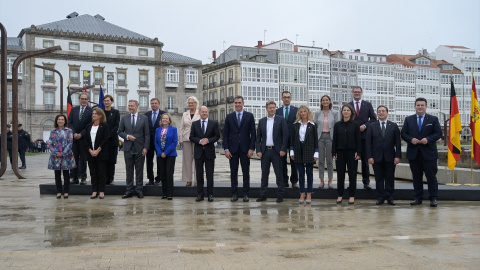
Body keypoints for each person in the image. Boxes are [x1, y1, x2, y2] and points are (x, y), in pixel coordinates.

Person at [401, 98, 442, 207]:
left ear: (426, 106)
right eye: (418, 105)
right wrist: (411, 140)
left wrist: (428, 139)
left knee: (431, 177)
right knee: (416, 177)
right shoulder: (408, 119)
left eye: (422, 105)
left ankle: (433, 198)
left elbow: (438, 133)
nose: (420, 107)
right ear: (415, 106)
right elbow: (403, 133)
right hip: (414, 154)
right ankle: (418, 198)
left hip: (429, 154)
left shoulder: (433, 119)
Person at [366, 106, 402, 206]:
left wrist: (397, 156)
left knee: (390, 178)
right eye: (379, 111)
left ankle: (390, 197)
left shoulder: (394, 126)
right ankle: (380, 197)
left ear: (387, 113)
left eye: (383, 111)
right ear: (377, 113)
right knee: (379, 178)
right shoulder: (372, 126)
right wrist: (369, 156)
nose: (381, 113)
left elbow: (398, 143)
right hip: (376, 158)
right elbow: (368, 143)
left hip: (390, 157)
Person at [223, 96, 256, 202]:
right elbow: (225, 134)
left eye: (239, 102)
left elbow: (253, 134)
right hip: (232, 150)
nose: (237, 104)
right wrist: (226, 149)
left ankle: (246, 194)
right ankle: (234, 194)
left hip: (245, 149)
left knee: (246, 172)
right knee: (233, 172)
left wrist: (251, 148)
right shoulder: (229, 117)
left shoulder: (249, 116)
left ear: (243, 103)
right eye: (236, 103)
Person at [256, 101, 288, 203]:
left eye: (273, 107)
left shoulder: (280, 119)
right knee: (264, 174)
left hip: (277, 151)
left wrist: (283, 149)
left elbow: (285, 136)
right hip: (265, 151)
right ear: (267, 109)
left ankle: (280, 195)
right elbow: (258, 138)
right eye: (270, 108)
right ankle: (263, 194)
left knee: (279, 174)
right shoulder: (261, 121)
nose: (272, 109)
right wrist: (258, 150)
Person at [118, 100, 150, 199]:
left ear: (137, 106)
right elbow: (120, 132)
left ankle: (139, 190)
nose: (130, 107)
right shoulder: (124, 118)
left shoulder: (144, 118)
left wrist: (145, 147)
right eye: (129, 106)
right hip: (128, 148)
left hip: (140, 148)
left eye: (132, 106)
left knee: (139, 170)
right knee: (129, 170)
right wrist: (127, 136)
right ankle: (129, 190)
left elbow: (147, 135)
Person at [189, 106, 220, 202]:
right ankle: (200, 194)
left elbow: (217, 136)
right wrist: (199, 141)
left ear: (208, 113)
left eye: (206, 112)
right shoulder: (195, 124)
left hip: (209, 152)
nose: (204, 113)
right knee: (199, 174)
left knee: (210, 175)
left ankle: (210, 194)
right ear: (199, 113)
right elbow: (191, 137)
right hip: (198, 152)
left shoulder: (213, 123)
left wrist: (208, 140)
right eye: (202, 112)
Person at [332, 104, 361, 205]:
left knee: (352, 175)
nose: (346, 112)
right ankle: (340, 195)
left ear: (351, 112)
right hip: (340, 153)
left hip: (352, 153)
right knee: (340, 175)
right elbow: (334, 139)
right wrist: (334, 152)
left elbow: (358, 139)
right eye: (344, 110)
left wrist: (359, 152)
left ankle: (352, 196)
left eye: (348, 110)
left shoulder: (355, 125)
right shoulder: (337, 125)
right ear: (342, 112)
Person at [348, 86, 376, 190]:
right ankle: (352, 183)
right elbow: (345, 120)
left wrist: (365, 126)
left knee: (365, 161)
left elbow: (373, 119)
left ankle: (366, 182)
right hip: (352, 138)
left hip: (365, 137)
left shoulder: (368, 105)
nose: (357, 93)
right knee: (351, 161)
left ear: (361, 93)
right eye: (355, 92)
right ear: (352, 93)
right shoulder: (348, 105)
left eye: (358, 92)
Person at [290, 105, 319, 204]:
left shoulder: (313, 125)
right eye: (301, 112)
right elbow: (292, 140)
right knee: (301, 173)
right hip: (298, 150)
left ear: (308, 113)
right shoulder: (295, 125)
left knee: (309, 172)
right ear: (299, 113)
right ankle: (302, 192)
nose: (303, 113)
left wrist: (316, 153)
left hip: (309, 150)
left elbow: (316, 140)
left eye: (304, 112)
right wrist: (292, 151)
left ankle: (309, 192)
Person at [47, 115, 76, 199]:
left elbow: (70, 142)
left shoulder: (69, 130)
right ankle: (59, 191)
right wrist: (55, 152)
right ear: (56, 121)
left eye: (62, 119)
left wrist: (63, 153)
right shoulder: (53, 131)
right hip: (55, 156)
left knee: (66, 175)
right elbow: (50, 142)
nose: (60, 121)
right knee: (57, 175)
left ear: (65, 121)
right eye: (59, 119)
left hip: (66, 156)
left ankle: (66, 191)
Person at [314, 95, 339, 189]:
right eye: (323, 100)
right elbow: (315, 125)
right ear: (321, 102)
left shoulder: (335, 113)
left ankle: (330, 180)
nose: (325, 102)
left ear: (329, 101)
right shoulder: (317, 113)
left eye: (326, 100)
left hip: (330, 137)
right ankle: (321, 180)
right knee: (320, 160)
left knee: (329, 160)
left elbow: (336, 126)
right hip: (320, 137)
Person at [67, 92, 93, 185]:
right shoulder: (74, 109)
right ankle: (74, 178)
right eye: (82, 99)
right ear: (79, 99)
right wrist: (74, 133)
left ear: (87, 100)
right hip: (74, 139)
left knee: (83, 159)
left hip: (84, 138)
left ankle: (83, 177)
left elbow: (90, 125)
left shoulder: (90, 111)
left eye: (85, 99)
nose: (84, 100)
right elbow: (70, 122)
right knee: (73, 159)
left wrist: (81, 134)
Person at [276, 91, 299, 188]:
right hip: (281, 140)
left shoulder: (296, 110)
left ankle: (294, 181)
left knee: (294, 161)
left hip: (293, 139)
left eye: (288, 97)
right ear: (282, 98)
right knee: (282, 161)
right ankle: (284, 180)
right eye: (285, 97)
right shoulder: (278, 111)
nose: (286, 99)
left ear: (291, 98)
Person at [85, 108, 109, 199]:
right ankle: (94, 190)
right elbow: (86, 140)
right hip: (90, 153)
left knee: (101, 173)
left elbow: (105, 139)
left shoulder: (104, 126)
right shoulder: (88, 126)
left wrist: (98, 150)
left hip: (101, 153)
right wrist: (90, 150)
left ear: (100, 115)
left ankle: (101, 191)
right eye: (93, 113)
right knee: (93, 173)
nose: (93, 115)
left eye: (96, 113)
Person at [154, 113, 178, 200]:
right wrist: (160, 152)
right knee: (162, 174)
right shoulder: (157, 130)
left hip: (170, 155)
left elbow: (174, 142)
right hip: (160, 155)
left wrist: (166, 152)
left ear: (169, 120)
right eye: (163, 118)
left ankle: (170, 194)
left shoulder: (173, 129)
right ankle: (164, 193)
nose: (165, 120)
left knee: (169, 174)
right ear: (161, 120)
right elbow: (156, 142)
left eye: (166, 118)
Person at [179, 96, 201, 187]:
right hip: (186, 138)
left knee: (197, 159)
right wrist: (181, 139)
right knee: (187, 160)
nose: (191, 104)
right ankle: (188, 179)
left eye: (192, 103)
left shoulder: (199, 113)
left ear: (196, 103)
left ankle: (197, 179)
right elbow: (182, 127)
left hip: (197, 139)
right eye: (189, 103)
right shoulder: (185, 114)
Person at [144, 98, 165, 186]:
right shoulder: (146, 115)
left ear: (159, 104)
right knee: (149, 160)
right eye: (152, 103)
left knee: (160, 160)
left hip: (160, 141)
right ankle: (150, 179)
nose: (154, 105)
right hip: (149, 141)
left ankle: (159, 179)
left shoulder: (163, 114)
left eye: (156, 103)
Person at [102, 94, 120, 186]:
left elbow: (117, 125)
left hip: (112, 140)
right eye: (105, 101)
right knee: (104, 161)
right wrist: (104, 136)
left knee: (111, 161)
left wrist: (109, 135)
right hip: (103, 142)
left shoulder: (116, 112)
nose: (106, 102)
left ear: (111, 102)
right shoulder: (101, 112)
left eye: (108, 100)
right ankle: (105, 179)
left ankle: (111, 178)